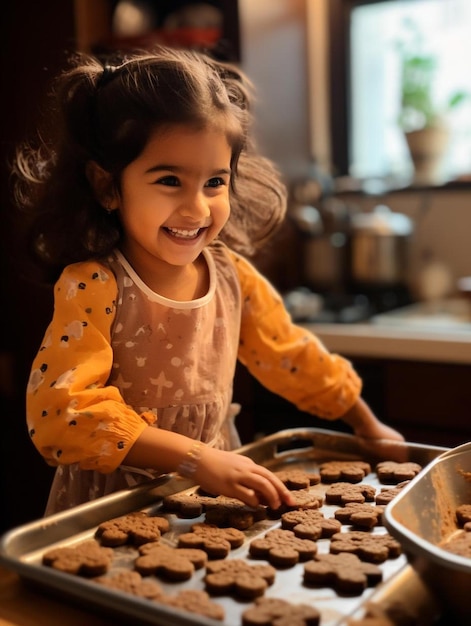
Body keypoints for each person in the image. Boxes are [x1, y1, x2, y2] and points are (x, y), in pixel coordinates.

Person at [14, 46, 404, 516]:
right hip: (113, 507)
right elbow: (61, 413)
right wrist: (196, 459)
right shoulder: (94, 285)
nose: (197, 209)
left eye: (215, 183)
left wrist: (367, 423)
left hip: (208, 497)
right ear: (107, 186)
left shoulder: (231, 276)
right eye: (169, 181)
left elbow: (292, 356)